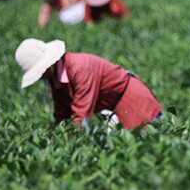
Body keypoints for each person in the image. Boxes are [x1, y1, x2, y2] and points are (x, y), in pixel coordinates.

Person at [15, 38, 162, 130]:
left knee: (147, 140)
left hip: (132, 99)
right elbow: (62, 113)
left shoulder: (80, 69)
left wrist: (70, 141)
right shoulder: (56, 79)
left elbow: (81, 113)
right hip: (112, 107)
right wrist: (57, 133)